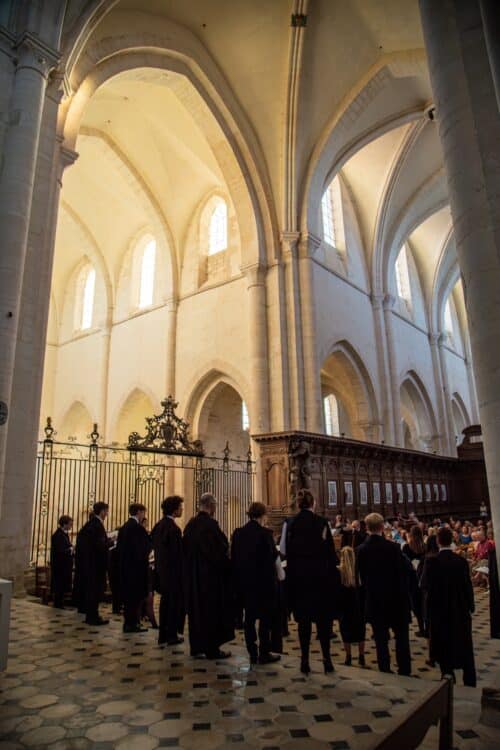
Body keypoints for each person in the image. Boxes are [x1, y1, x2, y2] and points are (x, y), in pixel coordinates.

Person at [285, 489, 340, 675]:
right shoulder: (322, 523)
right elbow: (331, 555)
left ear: (298, 504)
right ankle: (327, 659)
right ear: (313, 503)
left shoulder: (290, 523)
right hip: (320, 579)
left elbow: (285, 550)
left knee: (304, 623)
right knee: (324, 622)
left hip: (299, 580)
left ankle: (305, 660)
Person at [356, 512, 411, 676]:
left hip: (375, 599)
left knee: (380, 640)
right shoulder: (393, 547)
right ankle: (405, 670)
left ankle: (385, 669)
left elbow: (361, 578)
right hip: (396, 598)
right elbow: (405, 571)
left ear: (366, 528)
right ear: (382, 527)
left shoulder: (361, 550)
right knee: (401, 638)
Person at [421, 526, 476, 686]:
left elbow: (425, 587)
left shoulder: (431, 562)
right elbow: (468, 586)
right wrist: (470, 606)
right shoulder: (461, 561)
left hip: (439, 611)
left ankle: (448, 677)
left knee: (443, 645)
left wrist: (427, 614)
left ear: (438, 541)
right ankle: (469, 681)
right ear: (452, 540)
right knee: (464, 645)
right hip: (459, 610)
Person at [183, 493, 234, 659]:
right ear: (211, 506)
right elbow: (221, 548)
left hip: (193, 576)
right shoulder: (211, 525)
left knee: (196, 612)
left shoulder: (190, 524)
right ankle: (212, 649)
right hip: (210, 578)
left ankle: (196, 647)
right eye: (215, 506)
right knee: (211, 612)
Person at [231, 501, 281, 665]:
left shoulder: (238, 533)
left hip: (245, 583)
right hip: (263, 583)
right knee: (265, 619)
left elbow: (234, 558)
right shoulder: (265, 534)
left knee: (249, 619)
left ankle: (252, 652)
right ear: (262, 515)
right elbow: (272, 557)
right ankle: (264, 652)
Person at [152, 496, 185, 646]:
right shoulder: (173, 529)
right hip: (173, 573)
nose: (182, 509)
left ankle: (163, 635)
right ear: (175, 509)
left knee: (165, 604)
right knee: (173, 606)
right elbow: (178, 555)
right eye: (180, 507)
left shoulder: (158, 526)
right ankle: (171, 635)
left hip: (161, 572)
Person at [116, 503, 152, 633]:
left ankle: (129, 623)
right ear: (139, 512)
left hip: (125, 568)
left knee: (129, 598)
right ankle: (133, 624)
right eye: (143, 512)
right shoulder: (137, 528)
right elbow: (145, 547)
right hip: (136, 569)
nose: (144, 515)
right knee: (135, 598)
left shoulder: (124, 527)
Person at [73, 502, 110, 625]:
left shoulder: (91, 524)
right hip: (95, 565)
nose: (107, 514)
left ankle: (91, 615)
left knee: (93, 590)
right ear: (102, 511)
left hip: (90, 564)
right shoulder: (96, 524)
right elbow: (98, 545)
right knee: (94, 590)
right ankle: (92, 616)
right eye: (106, 511)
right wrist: (110, 543)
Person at [337, 546, 365, 667]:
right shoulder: (358, 571)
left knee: (346, 631)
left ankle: (348, 656)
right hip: (358, 605)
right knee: (360, 632)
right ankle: (361, 656)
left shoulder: (339, 571)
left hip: (344, 606)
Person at [402, 525, 426, 636]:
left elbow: (404, 564)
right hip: (423, 577)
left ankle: (421, 628)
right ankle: (427, 626)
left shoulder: (407, 547)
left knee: (416, 605)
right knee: (424, 602)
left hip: (412, 578)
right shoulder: (425, 547)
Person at [50, 515, 73, 609]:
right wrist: (71, 549)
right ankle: (58, 603)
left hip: (64, 565)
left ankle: (60, 602)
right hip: (60, 565)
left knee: (62, 584)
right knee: (59, 584)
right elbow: (60, 550)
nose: (71, 526)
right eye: (70, 524)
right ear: (65, 524)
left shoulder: (63, 534)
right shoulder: (58, 535)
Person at [140, 517, 158, 629]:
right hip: (145, 569)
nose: (146, 524)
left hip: (148, 568)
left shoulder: (145, 534)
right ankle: (153, 623)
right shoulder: (141, 535)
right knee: (148, 597)